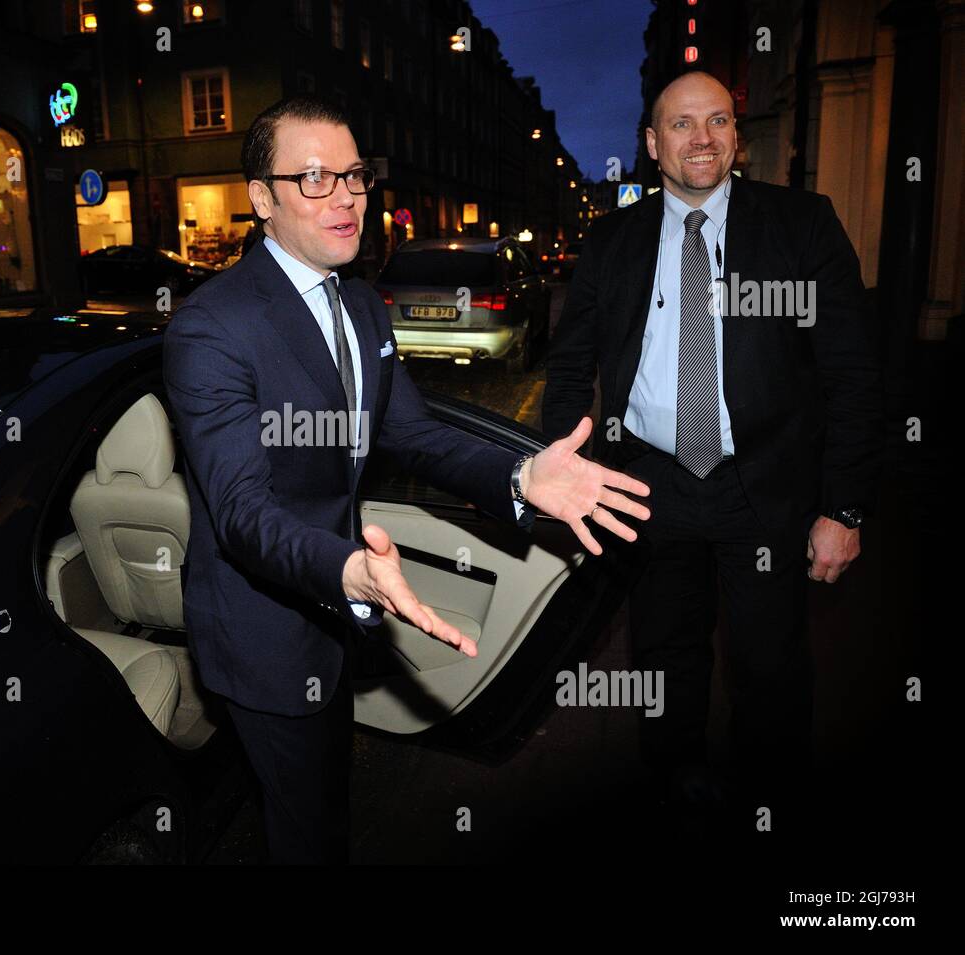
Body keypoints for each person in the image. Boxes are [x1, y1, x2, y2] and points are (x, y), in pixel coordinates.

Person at [163, 96, 651, 863]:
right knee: (309, 828)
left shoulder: (359, 301)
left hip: (332, 612)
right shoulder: (211, 326)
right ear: (261, 198)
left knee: (327, 800)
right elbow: (241, 512)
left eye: (355, 176)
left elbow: (413, 434)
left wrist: (521, 475)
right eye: (316, 178)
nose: (348, 197)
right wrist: (351, 567)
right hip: (263, 629)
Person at [542, 72, 882, 829]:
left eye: (718, 120)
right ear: (652, 143)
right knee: (665, 653)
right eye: (682, 123)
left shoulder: (803, 225)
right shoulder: (612, 242)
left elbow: (853, 376)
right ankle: (676, 780)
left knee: (771, 664)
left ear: (736, 135)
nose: (702, 137)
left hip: (764, 485)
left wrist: (843, 505)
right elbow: (570, 369)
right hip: (649, 487)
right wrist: (563, 471)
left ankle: (771, 800)